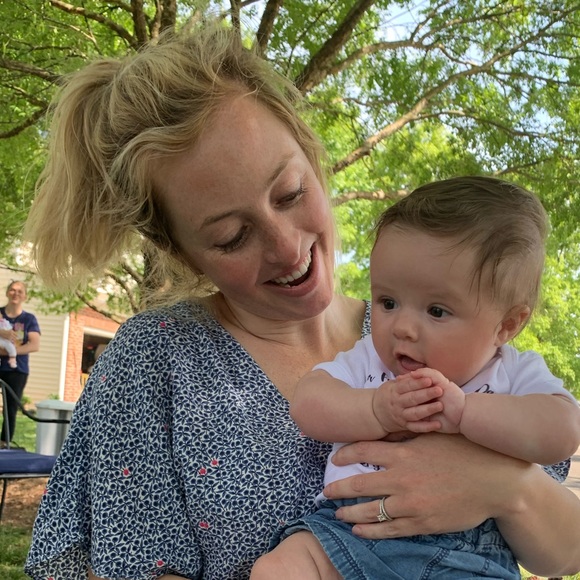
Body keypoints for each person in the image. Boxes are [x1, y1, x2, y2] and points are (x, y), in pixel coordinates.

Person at [21, 23, 580, 580]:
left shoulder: (442, 333)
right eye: (232, 237)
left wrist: (505, 487)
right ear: (181, 252)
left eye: (290, 193)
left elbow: (565, 553)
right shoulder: (156, 359)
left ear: (312, 155)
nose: (288, 248)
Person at [251, 176, 580, 579]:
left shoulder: (513, 371)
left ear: (506, 325)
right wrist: (376, 409)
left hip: (465, 548)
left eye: (437, 311)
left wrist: (465, 414)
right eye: (388, 302)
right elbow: (308, 405)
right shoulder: (370, 358)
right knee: (278, 568)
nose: (402, 327)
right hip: (350, 528)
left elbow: (562, 432)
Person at [0, 280, 41, 446]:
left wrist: (12, 352)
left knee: (10, 408)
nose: (15, 293)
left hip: (17, 370)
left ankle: (4, 443)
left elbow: (34, 345)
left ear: (25, 296)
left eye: (20, 291)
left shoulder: (28, 319)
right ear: (7, 293)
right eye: (12, 290)